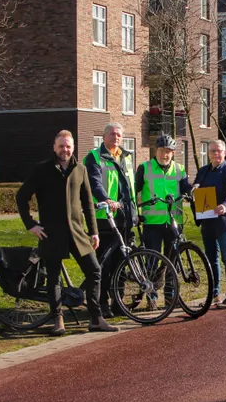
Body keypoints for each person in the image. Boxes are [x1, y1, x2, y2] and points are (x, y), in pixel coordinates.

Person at [15, 130, 118, 336]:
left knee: (94, 270)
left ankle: (96, 318)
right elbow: (21, 197)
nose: (65, 150)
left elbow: (88, 203)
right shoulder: (41, 170)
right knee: (54, 278)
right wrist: (31, 225)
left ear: (73, 148)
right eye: (61, 146)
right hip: (51, 232)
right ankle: (57, 320)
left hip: (77, 231)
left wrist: (94, 232)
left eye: (68, 146)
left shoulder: (80, 169)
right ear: (54, 147)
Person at [84, 122, 136, 319]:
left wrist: (134, 212)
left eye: (119, 135)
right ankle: (102, 302)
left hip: (124, 218)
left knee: (121, 262)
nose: (116, 137)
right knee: (103, 263)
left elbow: (129, 188)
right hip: (104, 218)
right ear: (104, 136)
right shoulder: (94, 157)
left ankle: (118, 301)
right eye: (112, 134)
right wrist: (106, 199)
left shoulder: (126, 157)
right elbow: (94, 182)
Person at [194, 139, 226, 309]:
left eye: (219, 151)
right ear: (208, 153)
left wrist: (225, 206)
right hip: (207, 221)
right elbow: (195, 188)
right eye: (213, 151)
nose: (215, 154)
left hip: (224, 221)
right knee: (211, 259)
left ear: (224, 153)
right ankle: (215, 295)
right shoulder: (203, 171)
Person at [135, 134, 191, 256]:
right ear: (156, 150)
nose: (164, 155)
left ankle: (168, 276)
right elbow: (134, 191)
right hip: (152, 222)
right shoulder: (144, 168)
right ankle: (154, 275)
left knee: (173, 258)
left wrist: (191, 192)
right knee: (152, 259)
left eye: (168, 152)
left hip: (174, 220)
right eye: (161, 151)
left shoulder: (179, 169)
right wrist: (135, 212)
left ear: (173, 153)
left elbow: (185, 188)